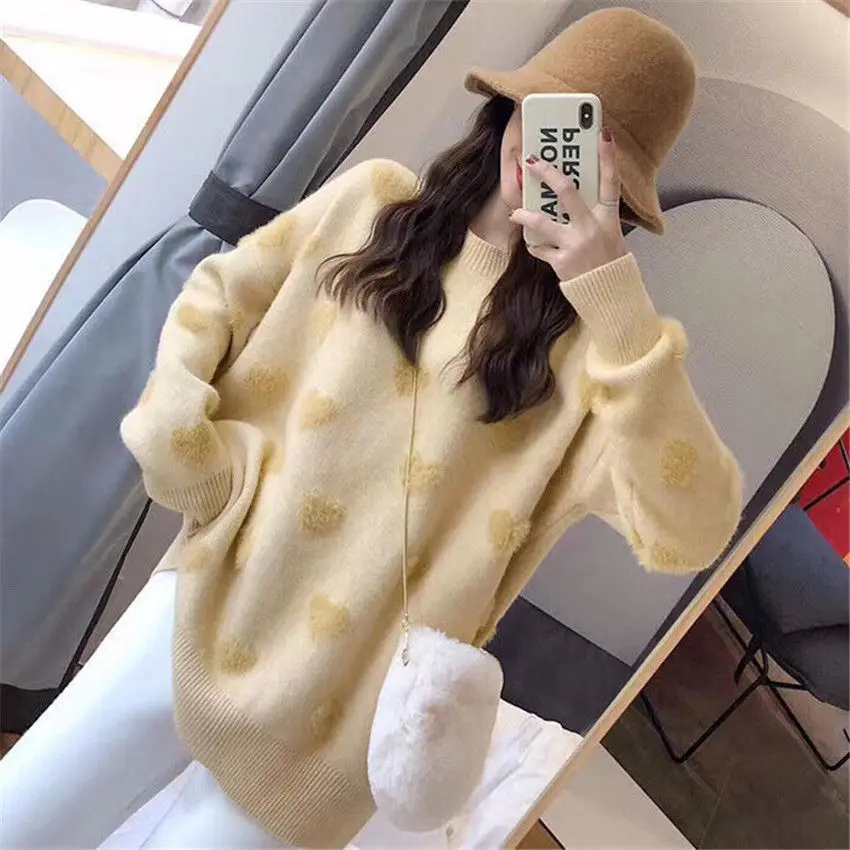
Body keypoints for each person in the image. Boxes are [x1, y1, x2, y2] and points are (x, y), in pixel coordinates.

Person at [0, 8, 742, 849]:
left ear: (622, 190)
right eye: (556, 117)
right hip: (202, 606)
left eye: (591, 151)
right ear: (514, 106)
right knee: (21, 817)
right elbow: (219, 295)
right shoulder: (373, 202)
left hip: (337, 724)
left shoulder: (598, 358)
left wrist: (611, 295)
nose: (554, 157)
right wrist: (187, 451)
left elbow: (693, 531)